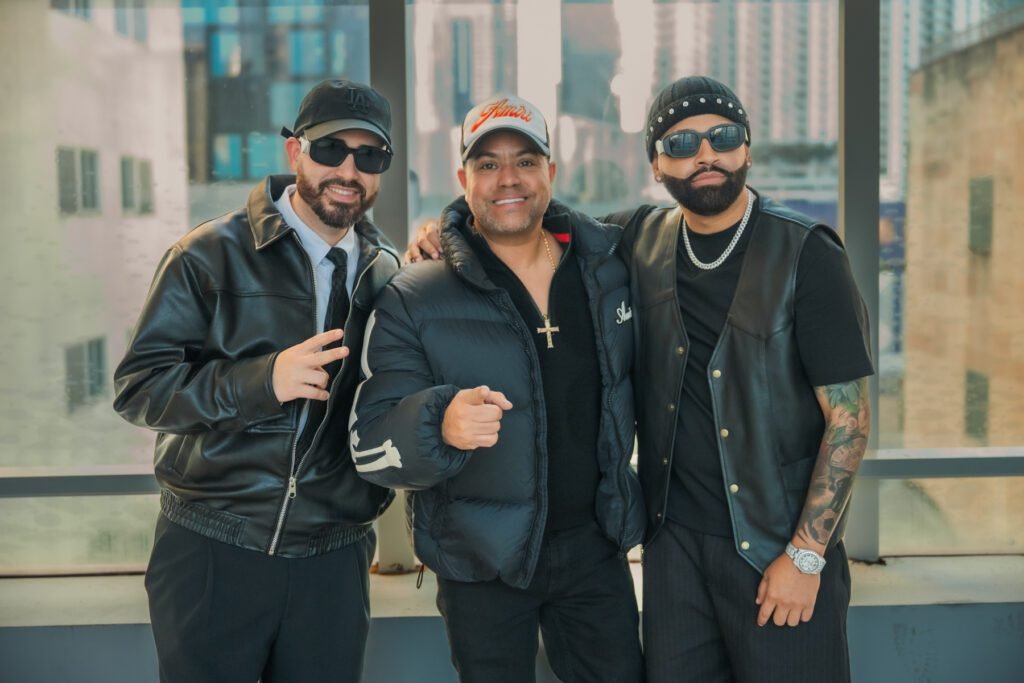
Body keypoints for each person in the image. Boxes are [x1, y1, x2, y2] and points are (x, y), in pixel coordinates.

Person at [408, 76, 873, 683]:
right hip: (673, 550)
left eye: (722, 137)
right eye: (680, 143)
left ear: (747, 148)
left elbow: (849, 418)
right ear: (656, 164)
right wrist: (445, 231)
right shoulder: (635, 239)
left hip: (776, 547)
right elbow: (527, 221)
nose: (704, 154)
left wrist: (807, 556)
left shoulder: (807, 253)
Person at [349, 94, 646, 683]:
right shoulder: (415, 294)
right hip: (478, 561)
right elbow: (369, 442)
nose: (508, 178)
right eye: (487, 164)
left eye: (525, 161)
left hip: (596, 551)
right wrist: (438, 423)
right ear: (464, 180)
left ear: (550, 172)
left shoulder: (609, 267)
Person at [113, 79, 401, 683]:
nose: (348, 171)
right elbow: (140, 388)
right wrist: (263, 381)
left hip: (333, 561)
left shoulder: (388, 273)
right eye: (330, 149)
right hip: (213, 550)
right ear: (295, 151)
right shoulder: (206, 255)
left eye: (369, 156)